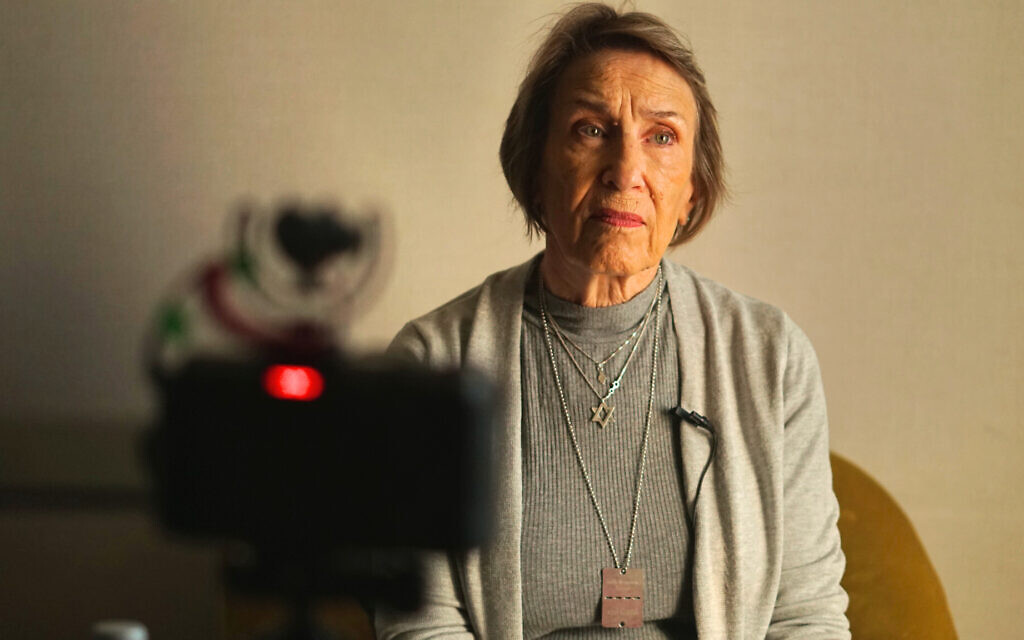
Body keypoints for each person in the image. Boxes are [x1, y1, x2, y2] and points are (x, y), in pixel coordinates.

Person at [376, 4, 850, 638]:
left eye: (662, 137)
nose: (626, 171)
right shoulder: (433, 365)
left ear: (692, 191)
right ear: (535, 168)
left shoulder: (771, 357)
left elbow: (807, 615)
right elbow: (421, 623)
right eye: (591, 129)